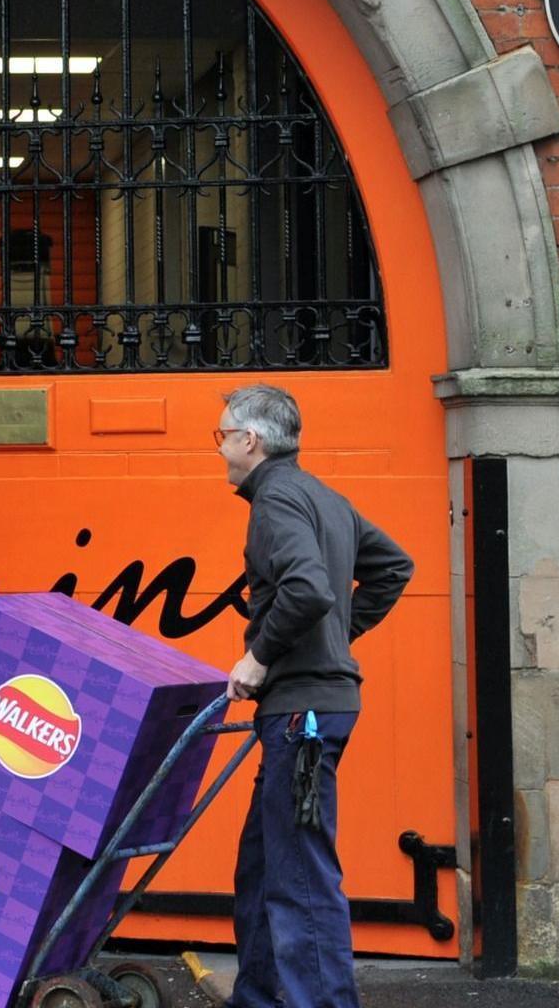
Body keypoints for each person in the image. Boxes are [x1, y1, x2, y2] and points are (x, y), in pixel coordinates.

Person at [214, 383, 412, 1008]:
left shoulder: (276, 500)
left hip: (301, 711)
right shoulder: (323, 497)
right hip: (311, 706)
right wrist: (334, 637)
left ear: (251, 440)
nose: (218, 449)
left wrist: (260, 656)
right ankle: (262, 997)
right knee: (264, 865)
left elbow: (306, 589)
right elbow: (394, 566)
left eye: (222, 436)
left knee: (299, 875)